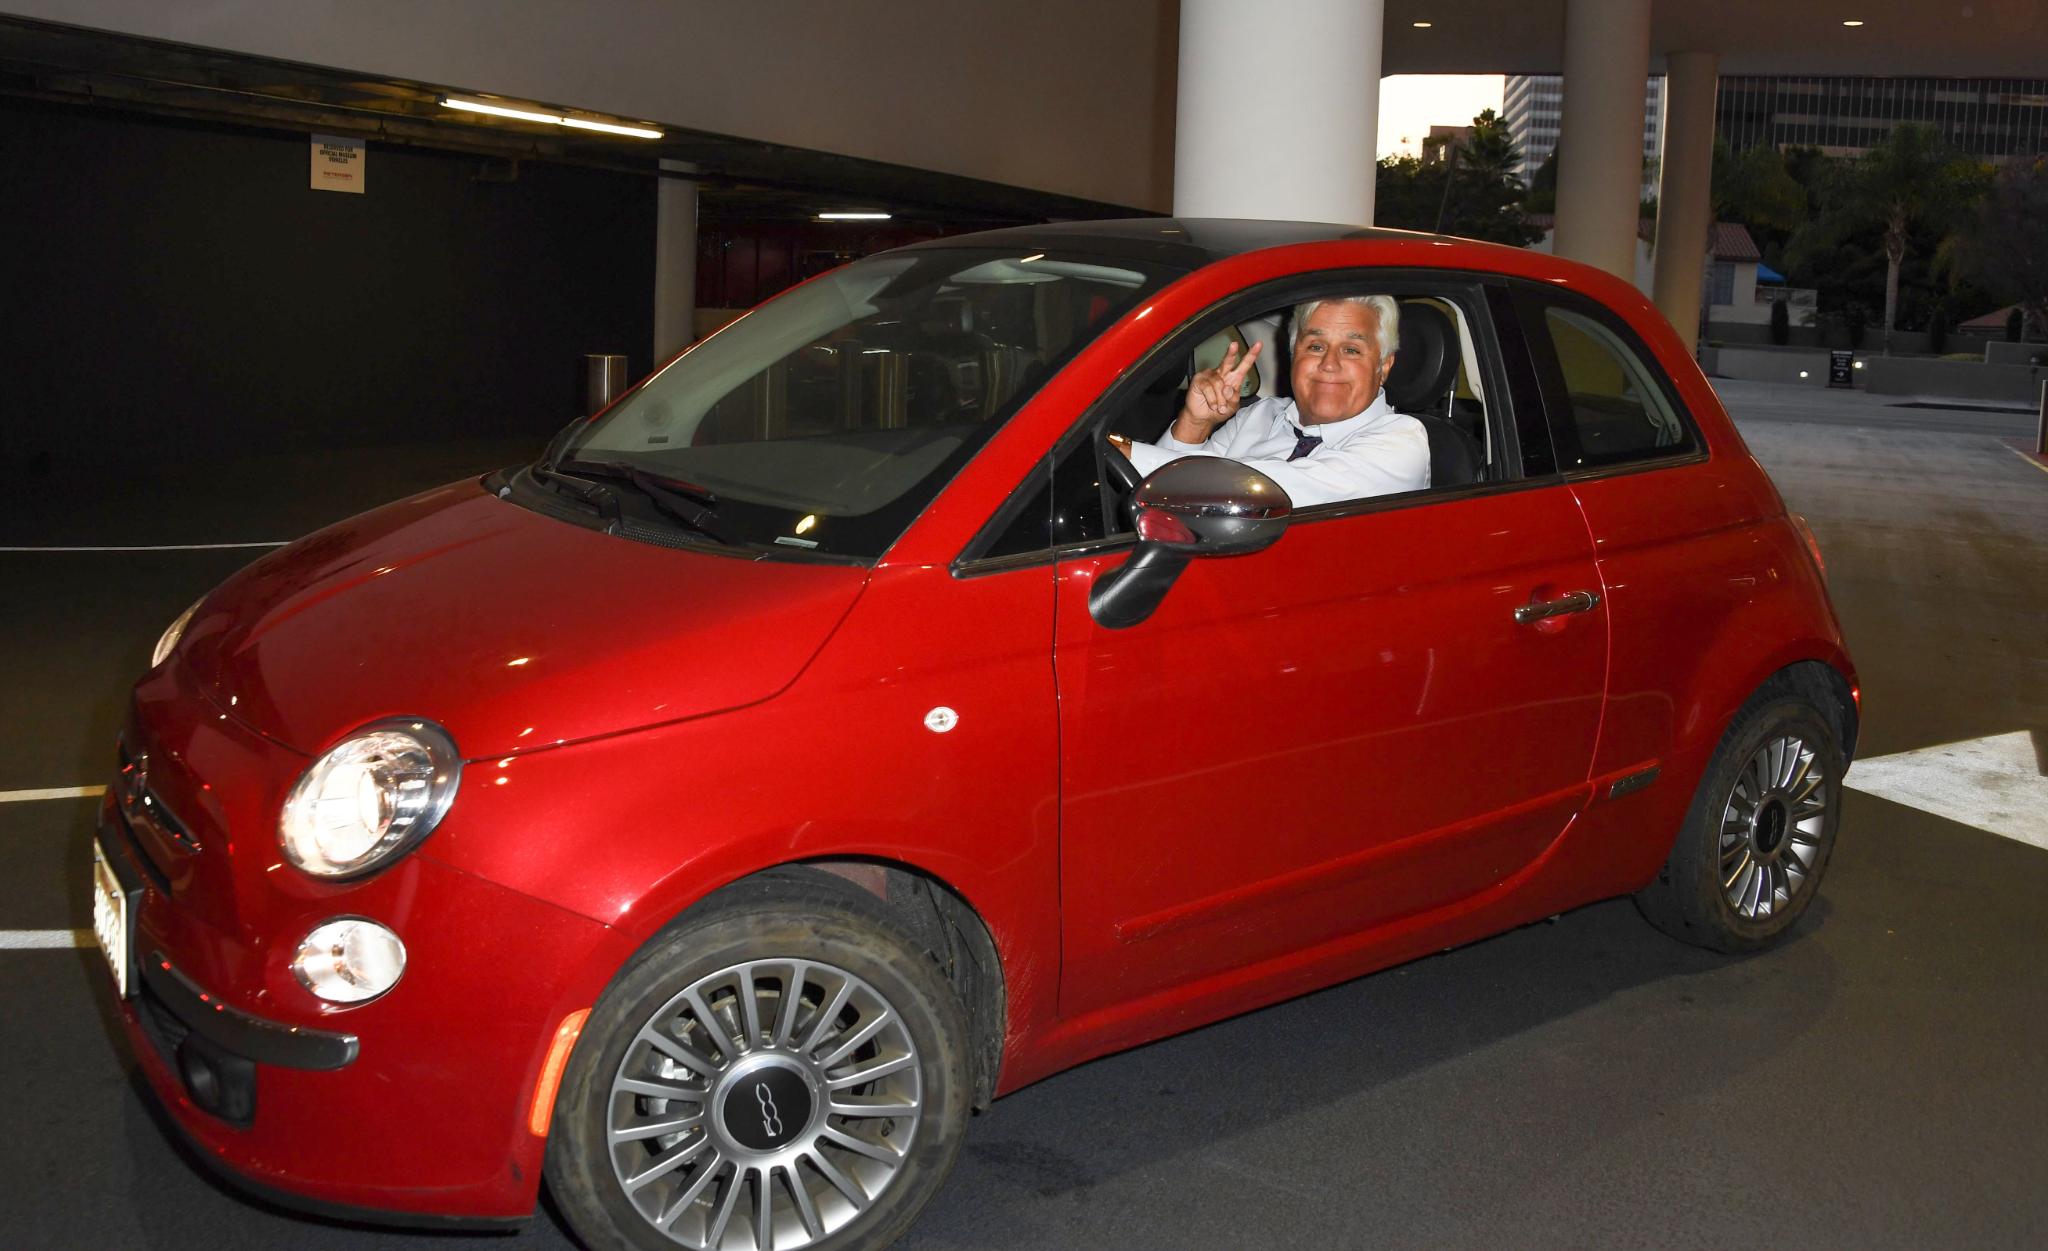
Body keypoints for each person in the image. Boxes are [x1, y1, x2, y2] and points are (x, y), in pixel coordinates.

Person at [1111, 296, 1429, 506]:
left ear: (1383, 366)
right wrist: (1195, 423)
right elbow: (1168, 497)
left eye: (1351, 350)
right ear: (1293, 354)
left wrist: (1126, 451)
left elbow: (1266, 491)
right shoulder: (1260, 415)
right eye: (1315, 346)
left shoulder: (1401, 442)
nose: (1329, 364)